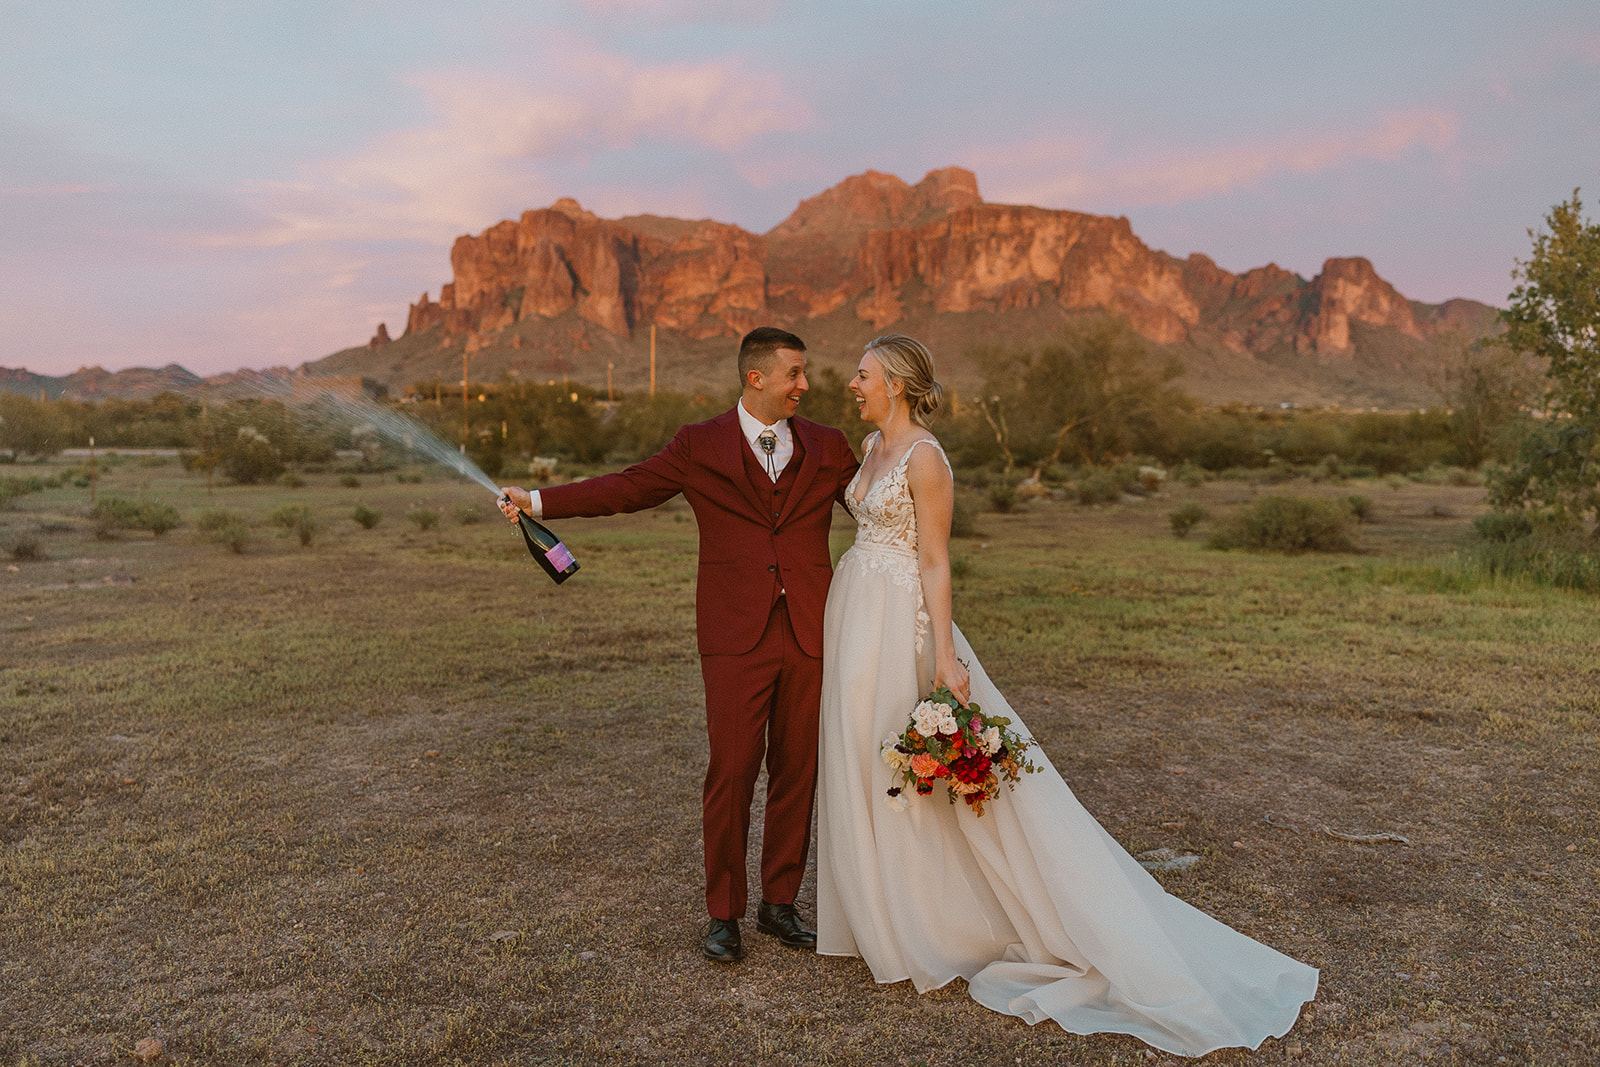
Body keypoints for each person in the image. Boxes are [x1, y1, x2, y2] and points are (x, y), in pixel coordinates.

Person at [814, 334, 1318, 1058]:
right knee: (863, 755)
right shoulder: (868, 446)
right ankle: (879, 913)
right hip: (854, 607)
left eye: (862, 374)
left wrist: (945, 657)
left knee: (907, 763)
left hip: (901, 619)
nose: (852, 383)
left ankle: (932, 920)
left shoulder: (926, 459)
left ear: (894, 381)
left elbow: (933, 557)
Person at [498, 326, 859, 964]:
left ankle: (780, 903)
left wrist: (915, 458)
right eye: (795, 374)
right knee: (732, 768)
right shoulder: (700, 444)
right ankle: (724, 913)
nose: (806, 385)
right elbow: (628, 488)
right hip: (732, 634)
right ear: (757, 378)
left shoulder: (830, 446)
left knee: (798, 769)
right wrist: (538, 499)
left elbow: (877, 505)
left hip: (810, 628)